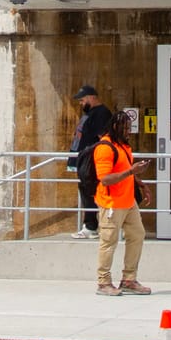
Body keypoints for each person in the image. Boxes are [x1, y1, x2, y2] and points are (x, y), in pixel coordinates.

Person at [91, 111, 154, 296]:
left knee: (137, 235)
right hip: (111, 203)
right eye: (125, 128)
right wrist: (131, 172)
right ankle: (104, 283)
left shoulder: (123, 146)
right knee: (108, 242)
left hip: (128, 202)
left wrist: (141, 183)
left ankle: (129, 279)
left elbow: (126, 171)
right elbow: (105, 179)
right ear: (115, 127)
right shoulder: (105, 148)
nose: (129, 131)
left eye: (130, 128)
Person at [68, 84, 113, 239]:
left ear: (92, 97)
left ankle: (91, 226)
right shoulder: (92, 112)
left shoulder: (101, 113)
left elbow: (104, 138)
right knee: (86, 191)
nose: (81, 104)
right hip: (83, 160)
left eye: (82, 100)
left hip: (92, 161)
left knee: (90, 192)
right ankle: (89, 225)